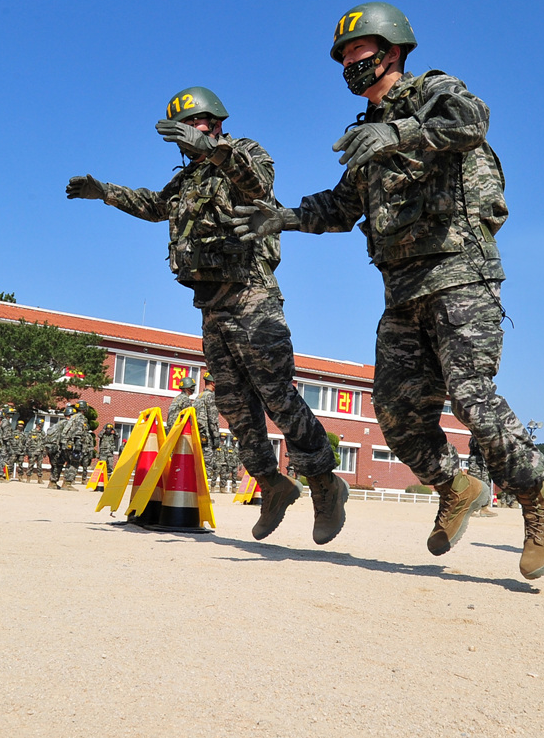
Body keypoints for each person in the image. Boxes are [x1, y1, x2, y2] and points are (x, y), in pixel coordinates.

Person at [232, 3, 544, 579]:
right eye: (342, 58)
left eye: (357, 54)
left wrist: (399, 131)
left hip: (460, 272)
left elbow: (473, 121)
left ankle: (541, 497)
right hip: (402, 290)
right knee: (394, 412)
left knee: (470, 393)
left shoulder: (434, 92)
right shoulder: (364, 135)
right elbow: (342, 206)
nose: (348, 66)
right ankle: (454, 485)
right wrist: (282, 217)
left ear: (390, 52)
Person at [67, 85, 349, 544]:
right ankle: (273, 483)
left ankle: (324, 484)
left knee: (277, 395)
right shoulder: (187, 181)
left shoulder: (242, 152)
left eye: (196, 124)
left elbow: (259, 186)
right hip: (211, 305)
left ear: (216, 122)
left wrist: (215, 151)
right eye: (182, 130)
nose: (188, 135)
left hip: (252, 295)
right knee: (234, 405)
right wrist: (107, 193)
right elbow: (156, 206)